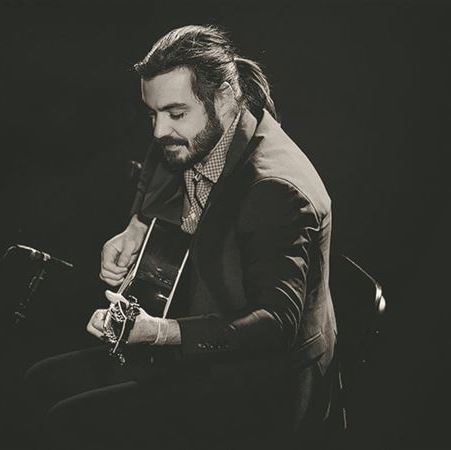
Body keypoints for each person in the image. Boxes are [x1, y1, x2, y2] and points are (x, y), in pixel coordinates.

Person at [23, 25, 337, 450]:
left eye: (174, 113)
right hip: (198, 338)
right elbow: (160, 163)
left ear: (225, 96)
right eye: (152, 114)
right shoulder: (195, 134)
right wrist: (137, 226)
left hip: (259, 386)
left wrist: (158, 333)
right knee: (40, 383)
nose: (158, 131)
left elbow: (275, 326)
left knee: (69, 424)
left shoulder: (275, 190)